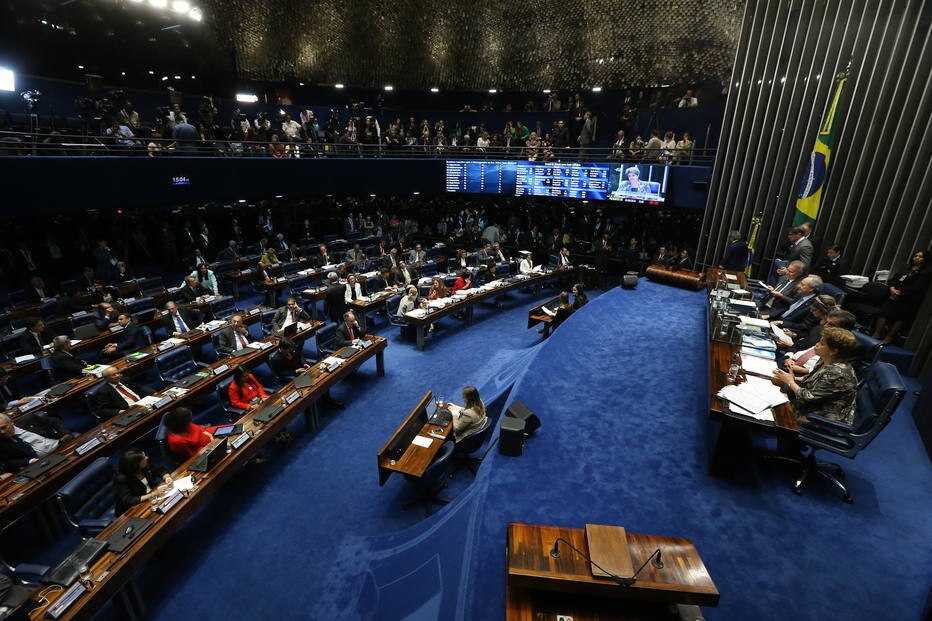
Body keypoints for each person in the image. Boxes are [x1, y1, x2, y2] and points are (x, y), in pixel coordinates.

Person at [772, 327, 858, 426]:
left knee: (771, 409)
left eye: (822, 343)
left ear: (833, 351)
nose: (816, 345)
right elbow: (812, 380)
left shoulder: (837, 373)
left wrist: (791, 382)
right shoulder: (824, 359)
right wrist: (791, 378)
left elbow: (808, 397)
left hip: (821, 418)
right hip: (808, 406)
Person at [872, 249, 932, 344]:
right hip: (893, 295)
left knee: (900, 318)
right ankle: (877, 333)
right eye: (915, 255)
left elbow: (918, 287)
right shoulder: (906, 267)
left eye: (920, 256)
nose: (917, 258)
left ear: (926, 259)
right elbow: (893, 279)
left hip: (908, 300)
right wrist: (892, 288)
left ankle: (889, 337)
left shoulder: (926, 272)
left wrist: (900, 293)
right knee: (883, 313)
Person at [0, 412, 67, 474]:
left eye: (4, 427)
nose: (2, 432)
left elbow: (55, 421)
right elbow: (9, 462)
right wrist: (30, 461)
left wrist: (65, 433)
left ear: (11, 422)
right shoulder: (2, 443)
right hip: (44, 462)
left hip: (62, 446)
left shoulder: (28, 419)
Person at [113, 449, 173, 515]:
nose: (147, 457)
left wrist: (167, 477)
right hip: (133, 509)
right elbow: (129, 499)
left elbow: (160, 470)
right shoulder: (121, 478)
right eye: (144, 457)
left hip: (152, 498)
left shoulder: (145, 465)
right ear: (136, 465)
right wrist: (153, 494)